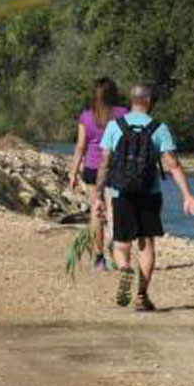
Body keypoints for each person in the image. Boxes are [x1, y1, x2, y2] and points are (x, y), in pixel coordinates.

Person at [95, 83, 194, 311]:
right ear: (149, 101)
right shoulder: (159, 128)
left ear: (130, 101)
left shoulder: (115, 126)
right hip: (149, 194)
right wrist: (187, 195)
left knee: (121, 244)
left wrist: (98, 195)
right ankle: (141, 296)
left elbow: (104, 163)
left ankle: (124, 269)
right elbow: (173, 165)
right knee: (146, 243)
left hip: (121, 192)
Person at [68, 78, 128, 270]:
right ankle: (116, 254)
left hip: (92, 169)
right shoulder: (123, 114)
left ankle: (99, 259)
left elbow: (80, 146)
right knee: (113, 213)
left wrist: (73, 172)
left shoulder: (86, 116)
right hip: (115, 168)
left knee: (96, 213)